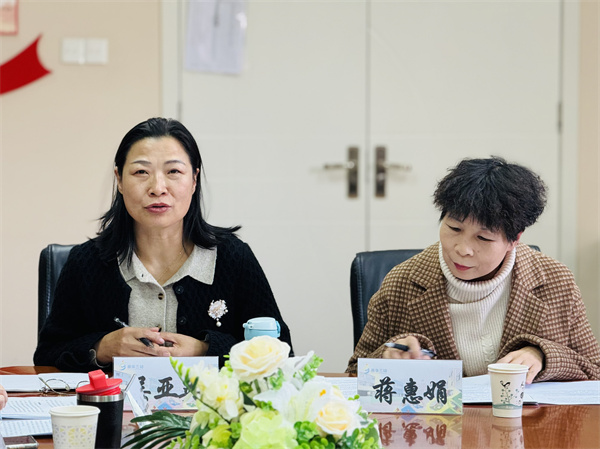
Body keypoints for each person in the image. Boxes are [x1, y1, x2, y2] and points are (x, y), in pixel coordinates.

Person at [34, 118, 293, 372]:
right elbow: (47, 355)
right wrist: (101, 347)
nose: (158, 188)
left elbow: (281, 352)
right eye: (141, 172)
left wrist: (205, 349)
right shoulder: (86, 262)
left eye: (173, 172)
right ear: (119, 180)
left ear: (194, 179)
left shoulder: (232, 258)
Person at [347, 156, 600, 383]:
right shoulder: (402, 282)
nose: (462, 249)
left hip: (527, 420)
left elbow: (594, 369)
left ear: (514, 239)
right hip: (436, 421)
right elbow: (355, 371)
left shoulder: (555, 281)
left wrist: (542, 355)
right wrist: (389, 356)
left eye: (483, 238)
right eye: (454, 229)